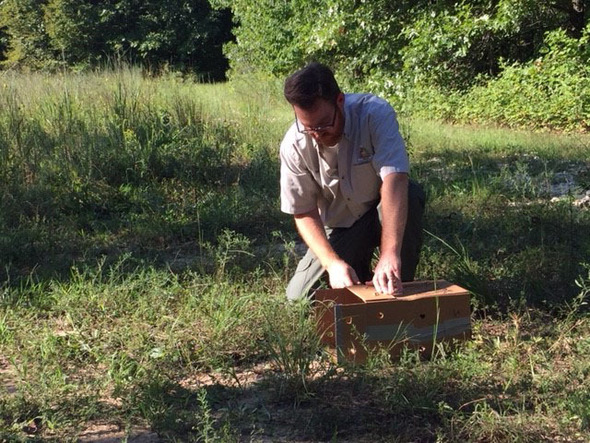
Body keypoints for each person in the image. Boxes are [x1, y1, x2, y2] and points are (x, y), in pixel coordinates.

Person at [279, 62, 425, 301]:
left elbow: (395, 179)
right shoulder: (293, 145)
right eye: (308, 128)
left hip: (380, 213)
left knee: (410, 193)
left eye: (324, 124)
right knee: (300, 297)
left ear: (339, 101)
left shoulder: (375, 114)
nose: (317, 134)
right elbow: (303, 211)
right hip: (340, 227)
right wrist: (332, 263)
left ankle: (397, 284)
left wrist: (389, 253)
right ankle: (358, 268)